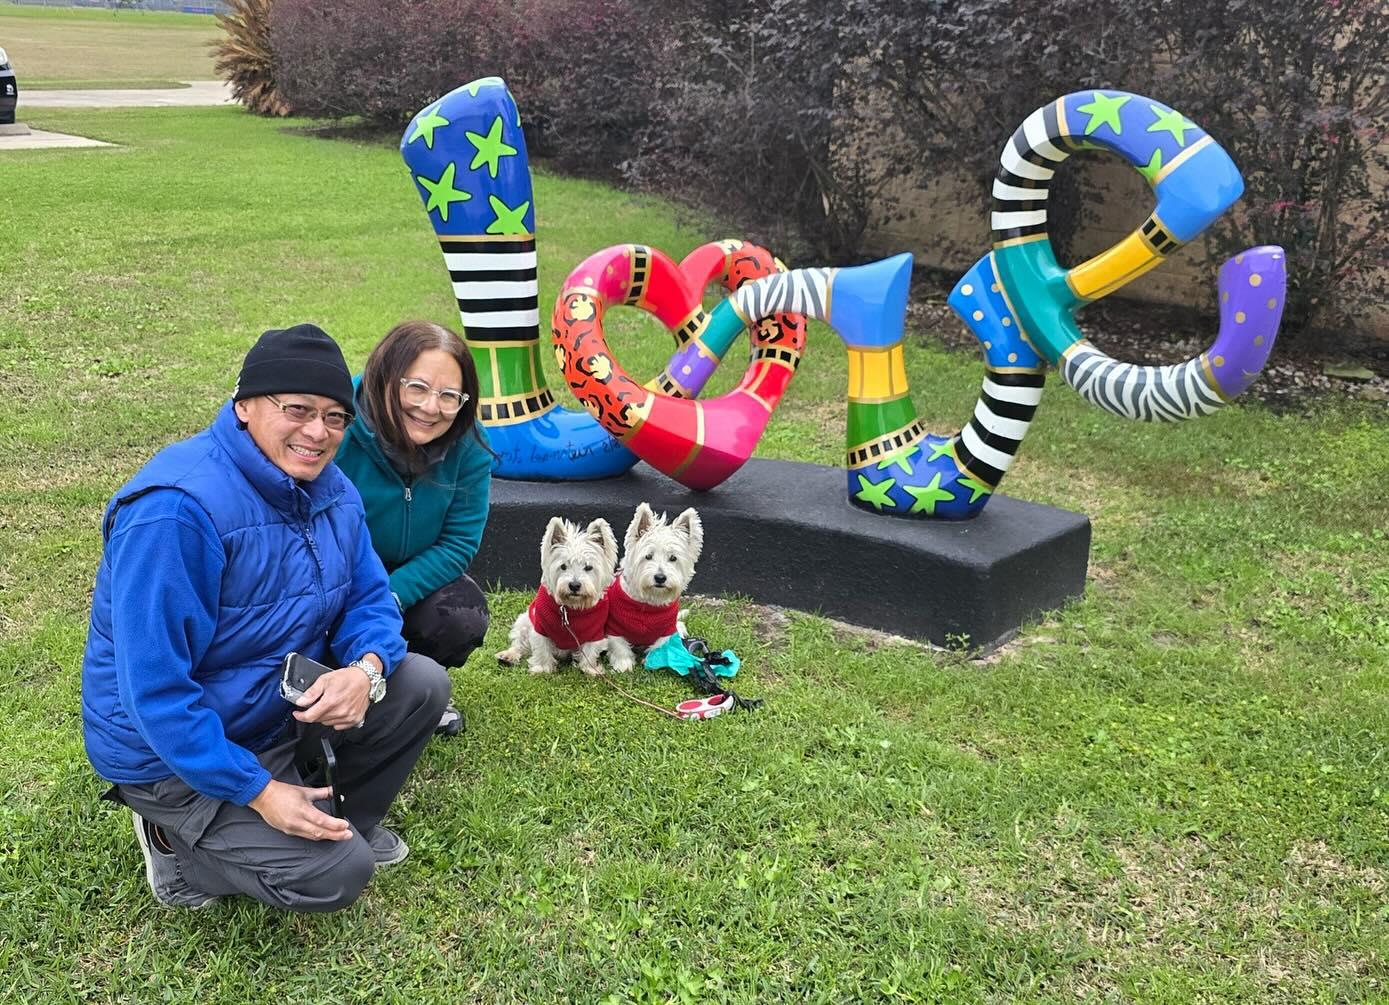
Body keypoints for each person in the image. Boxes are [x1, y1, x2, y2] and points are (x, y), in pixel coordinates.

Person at [81, 323, 452, 912]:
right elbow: (154, 693)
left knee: (422, 683)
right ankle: (175, 842)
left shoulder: (332, 488)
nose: (317, 432)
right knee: (336, 876)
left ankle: (334, 817)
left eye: (335, 418)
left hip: (266, 708)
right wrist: (256, 790)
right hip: (166, 749)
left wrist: (367, 668)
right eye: (298, 409)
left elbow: (371, 600)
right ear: (245, 404)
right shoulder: (175, 513)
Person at [334, 320, 493, 736]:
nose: (430, 407)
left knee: (461, 614)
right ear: (384, 378)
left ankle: (411, 689)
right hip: (333, 576)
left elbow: (458, 543)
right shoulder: (336, 423)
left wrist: (389, 595)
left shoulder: (470, 446)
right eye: (416, 387)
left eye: (449, 396)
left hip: (401, 583)